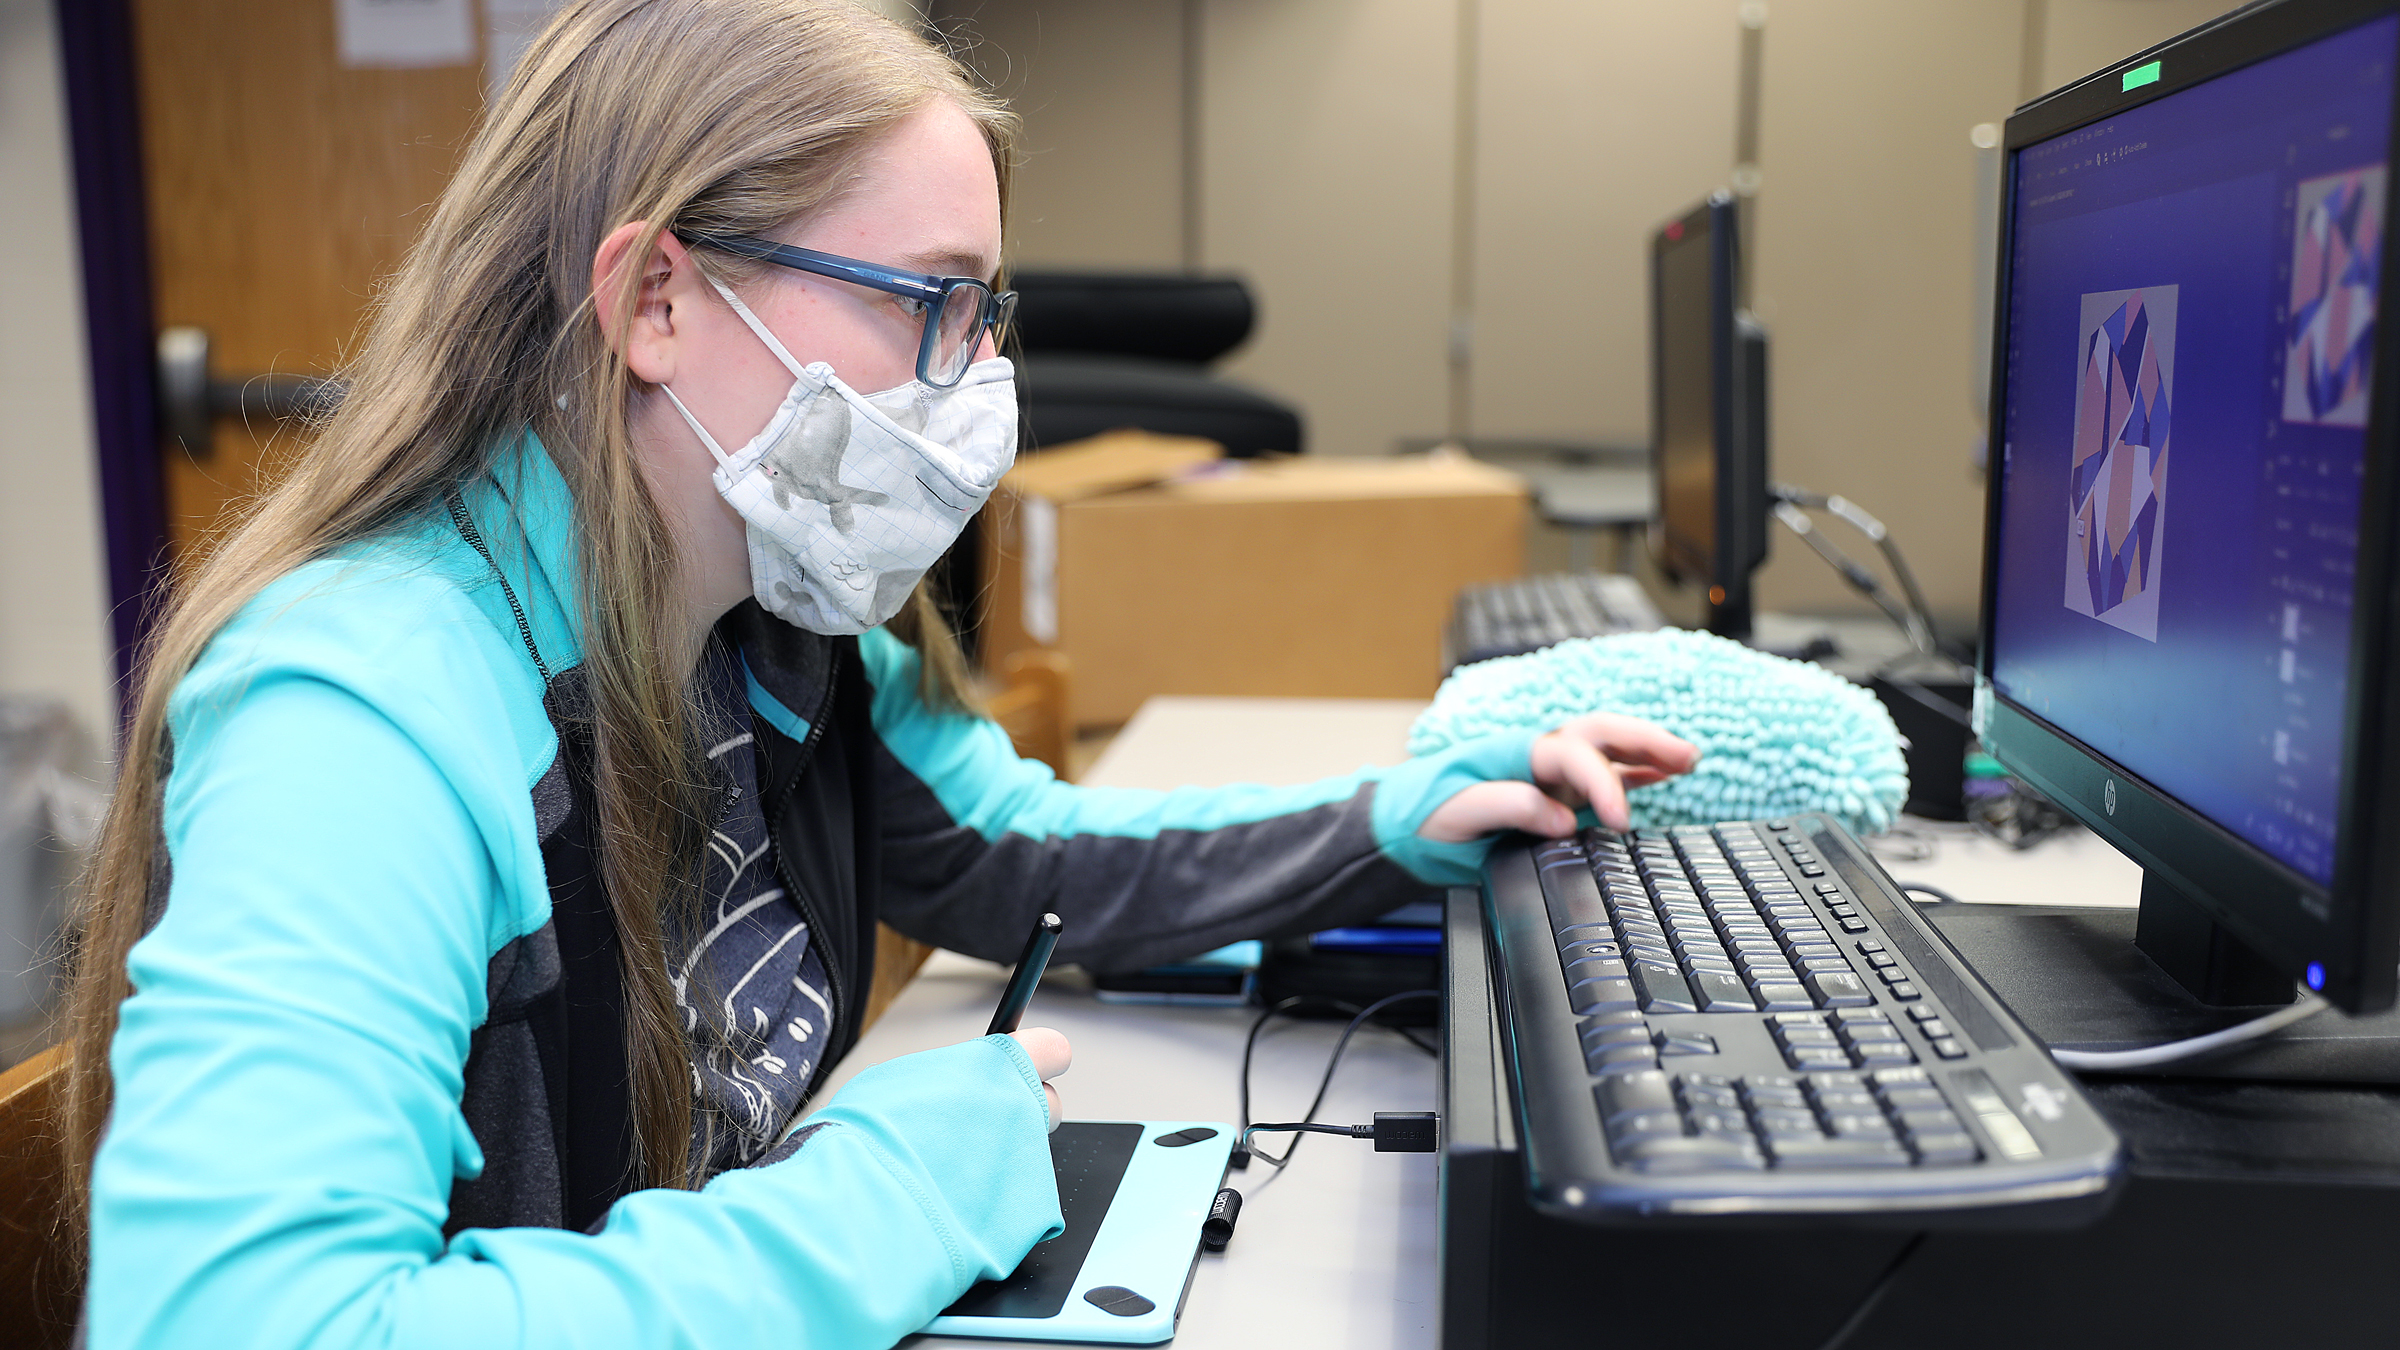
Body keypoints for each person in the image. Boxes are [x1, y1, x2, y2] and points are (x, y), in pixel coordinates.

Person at [59, 2, 1700, 1346]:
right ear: (656, 299)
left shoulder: (778, 615)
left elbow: (1026, 846)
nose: (981, 386)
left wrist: (1388, 822)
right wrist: (885, 1199)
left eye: (990, 315)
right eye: (936, 305)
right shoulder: (364, 716)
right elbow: (237, 1322)